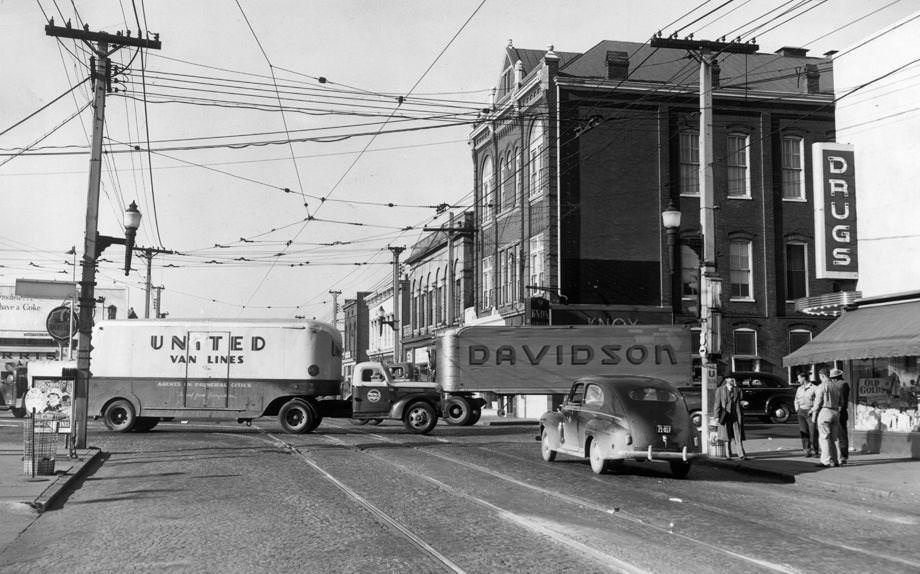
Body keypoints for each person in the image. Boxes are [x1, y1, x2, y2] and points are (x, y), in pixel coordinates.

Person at [811, 367, 846, 467]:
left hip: (825, 411)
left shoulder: (822, 386)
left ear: (822, 376)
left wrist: (814, 413)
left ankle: (825, 461)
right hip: (835, 412)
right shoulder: (835, 386)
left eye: (820, 377)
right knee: (835, 438)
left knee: (824, 437)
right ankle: (837, 460)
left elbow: (817, 402)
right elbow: (841, 401)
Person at [715, 376, 747, 459]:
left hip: (736, 415)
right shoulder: (720, 390)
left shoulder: (738, 389)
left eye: (733, 378)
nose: (732, 380)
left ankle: (741, 454)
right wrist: (716, 416)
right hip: (726, 416)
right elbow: (717, 404)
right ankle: (728, 455)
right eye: (730, 378)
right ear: (726, 380)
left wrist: (744, 403)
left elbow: (740, 400)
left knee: (738, 434)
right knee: (727, 435)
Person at [793, 372, 818, 457]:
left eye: (799, 378)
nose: (798, 380)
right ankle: (807, 450)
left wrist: (813, 410)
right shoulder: (799, 389)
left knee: (813, 432)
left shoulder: (814, 388)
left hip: (810, 411)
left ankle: (815, 450)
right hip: (801, 411)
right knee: (804, 432)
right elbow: (796, 399)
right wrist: (797, 409)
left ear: (804, 378)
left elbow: (818, 400)